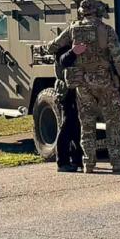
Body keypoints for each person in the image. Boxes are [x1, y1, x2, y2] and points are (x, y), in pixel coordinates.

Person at [41, 0, 120, 173]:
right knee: (112, 121)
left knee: (86, 123)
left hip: (82, 82)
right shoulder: (106, 30)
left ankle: (88, 163)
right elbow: (118, 57)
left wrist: (72, 51)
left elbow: (52, 47)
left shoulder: (73, 29)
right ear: (98, 12)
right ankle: (117, 162)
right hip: (105, 81)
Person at [53, 45, 84, 173]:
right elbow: (62, 61)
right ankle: (63, 162)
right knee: (66, 126)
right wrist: (73, 52)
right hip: (66, 91)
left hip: (76, 90)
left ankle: (77, 160)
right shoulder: (64, 44)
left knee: (77, 126)